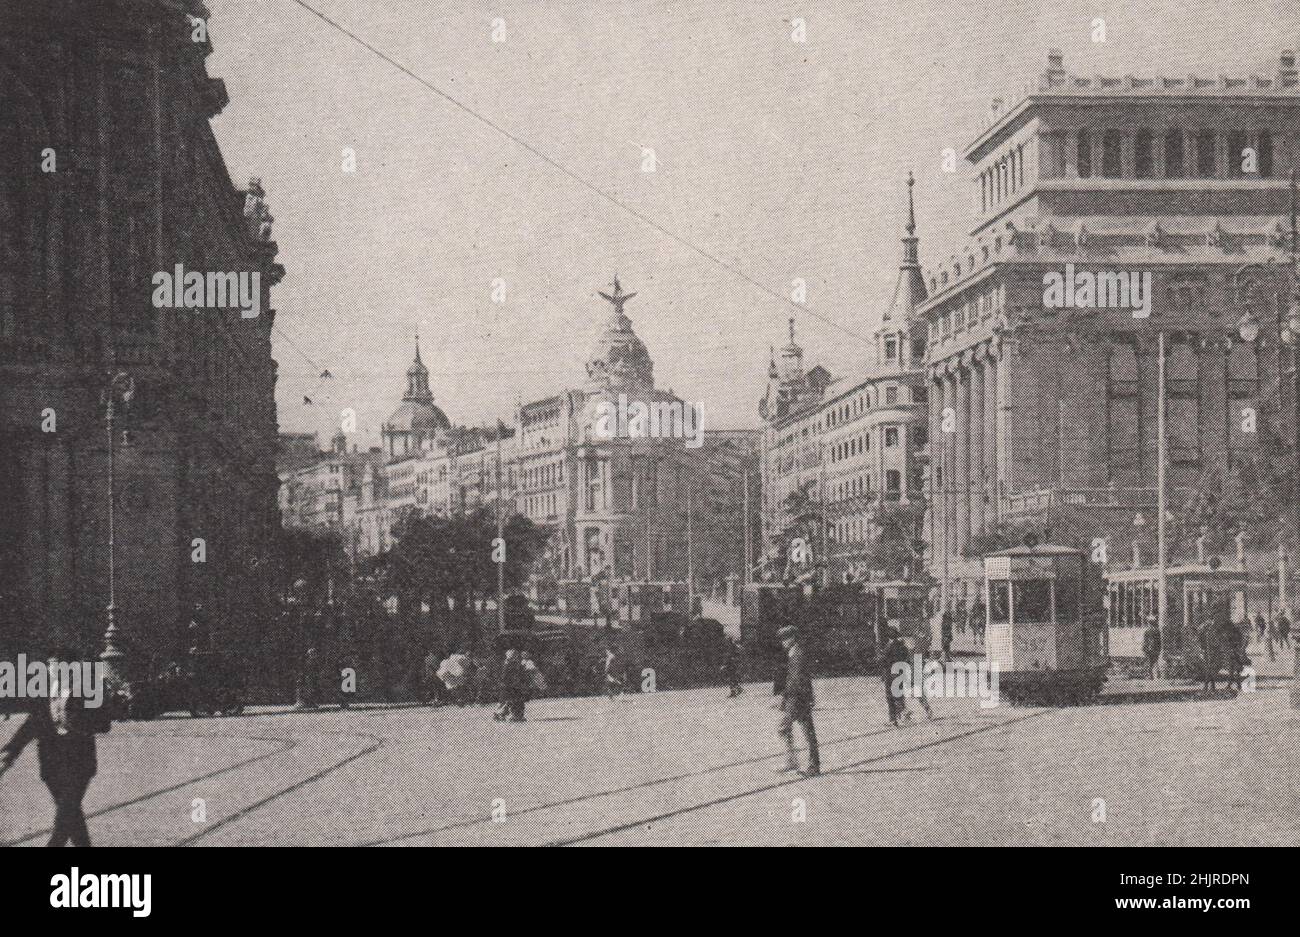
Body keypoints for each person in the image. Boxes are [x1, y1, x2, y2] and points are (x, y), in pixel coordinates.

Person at [0, 648, 112, 847]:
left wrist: (79, 723)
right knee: (71, 815)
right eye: (51, 667)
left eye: (59, 667)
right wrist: (11, 750)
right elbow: (32, 723)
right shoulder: (43, 691)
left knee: (65, 815)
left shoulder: (88, 689)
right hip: (51, 765)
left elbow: (104, 723)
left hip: (79, 762)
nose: (54, 671)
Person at [775, 626, 819, 777]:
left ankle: (810, 765)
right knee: (796, 731)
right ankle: (794, 761)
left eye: (785, 639)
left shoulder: (798, 653)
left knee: (800, 732)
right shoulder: (793, 653)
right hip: (796, 699)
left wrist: (788, 698)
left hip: (797, 699)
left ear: (792, 638)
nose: (783, 642)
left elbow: (798, 680)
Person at [879, 626, 911, 726]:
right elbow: (907, 658)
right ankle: (901, 714)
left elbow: (883, 660)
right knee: (898, 695)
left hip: (890, 674)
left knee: (890, 697)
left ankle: (895, 717)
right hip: (900, 672)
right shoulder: (902, 646)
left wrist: (879, 656)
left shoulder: (890, 646)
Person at [495, 649, 528, 722]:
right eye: (514, 656)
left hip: (513, 686)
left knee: (512, 701)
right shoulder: (507, 665)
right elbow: (504, 677)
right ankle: (511, 715)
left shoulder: (514, 664)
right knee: (510, 701)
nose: (515, 658)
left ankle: (514, 715)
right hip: (509, 686)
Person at [1142, 615, 1162, 681]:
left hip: (1149, 649)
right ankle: (1157, 675)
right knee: (1155, 662)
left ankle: (1150, 676)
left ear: (1149, 623)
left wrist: (1144, 648)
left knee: (1149, 663)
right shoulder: (1157, 631)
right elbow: (1159, 641)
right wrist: (1159, 649)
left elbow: (1145, 641)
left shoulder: (1147, 631)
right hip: (1155, 649)